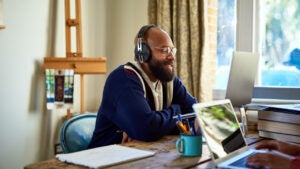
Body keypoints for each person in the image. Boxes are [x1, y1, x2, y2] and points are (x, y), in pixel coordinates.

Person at [88, 24, 197, 148]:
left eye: (173, 50)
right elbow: (147, 129)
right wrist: (177, 110)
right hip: (105, 159)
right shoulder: (123, 79)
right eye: (165, 50)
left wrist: (158, 127)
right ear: (143, 53)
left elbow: (195, 114)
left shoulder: (168, 80)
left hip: (143, 155)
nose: (172, 56)